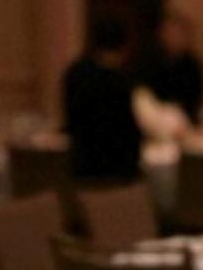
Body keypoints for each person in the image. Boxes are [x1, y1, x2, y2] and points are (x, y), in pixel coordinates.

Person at [61, 11, 143, 183]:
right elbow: (127, 128)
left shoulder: (75, 73)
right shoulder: (120, 80)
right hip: (117, 168)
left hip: (82, 164)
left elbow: (71, 120)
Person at [141, 12, 203, 125]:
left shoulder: (193, 67)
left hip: (185, 122)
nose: (174, 38)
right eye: (170, 33)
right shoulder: (149, 64)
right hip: (155, 122)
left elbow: (196, 99)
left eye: (178, 34)